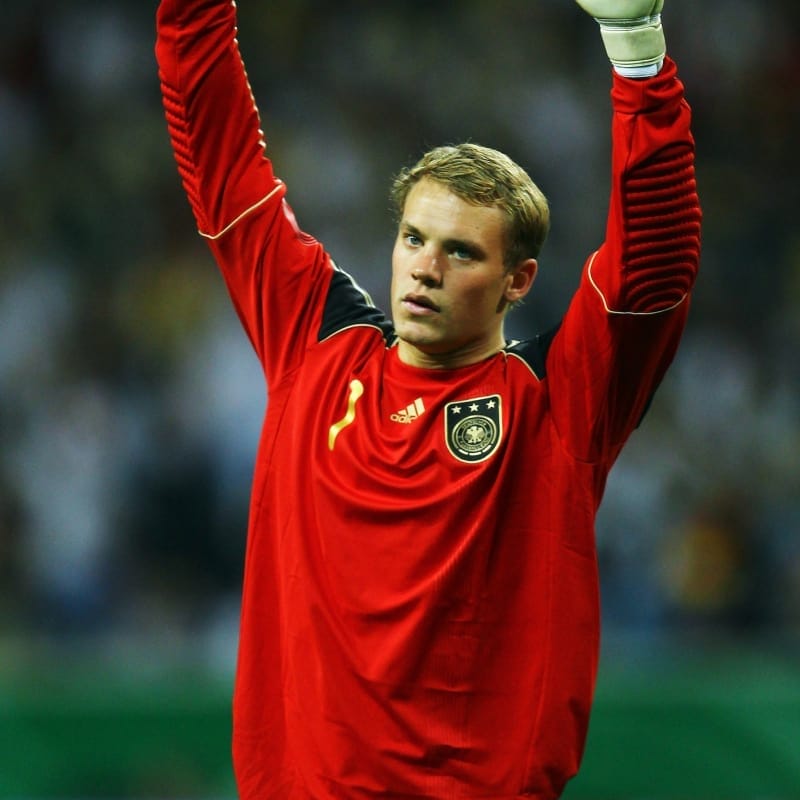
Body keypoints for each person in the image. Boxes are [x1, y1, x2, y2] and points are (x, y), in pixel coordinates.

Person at [155, 1, 701, 798]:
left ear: (518, 281)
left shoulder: (556, 404)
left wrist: (637, 55)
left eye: (460, 252)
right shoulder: (314, 344)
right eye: (413, 238)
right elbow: (218, 153)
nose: (424, 268)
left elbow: (651, 268)